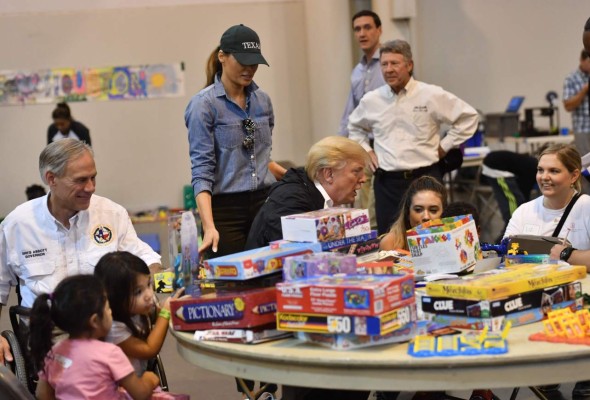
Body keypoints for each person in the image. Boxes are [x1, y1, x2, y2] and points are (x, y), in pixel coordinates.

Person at [0, 138, 161, 362]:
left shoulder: (111, 214)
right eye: (81, 180)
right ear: (51, 179)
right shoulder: (18, 224)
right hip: (48, 336)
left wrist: (146, 290)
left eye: (93, 177)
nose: (91, 187)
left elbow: (146, 258)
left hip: (106, 328)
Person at [348, 39, 478, 234]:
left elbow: (469, 117)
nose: (389, 69)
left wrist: (445, 145)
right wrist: (367, 151)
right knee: (389, 241)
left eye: (395, 63)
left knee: (434, 237)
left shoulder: (431, 94)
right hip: (388, 183)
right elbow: (354, 128)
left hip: (425, 177)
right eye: (384, 64)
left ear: (409, 65)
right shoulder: (372, 100)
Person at [185, 24, 285, 259]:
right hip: (225, 211)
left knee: (270, 278)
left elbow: (261, 158)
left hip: (264, 203)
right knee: (231, 287)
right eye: (242, 61)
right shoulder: (204, 105)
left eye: (254, 63)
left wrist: (294, 176)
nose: (249, 69)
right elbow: (202, 171)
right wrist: (209, 226)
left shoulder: (263, 101)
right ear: (222, 57)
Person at [503, 144, 590, 400]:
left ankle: (584, 375)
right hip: (537, 300)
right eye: (541, 170)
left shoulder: (586, 207)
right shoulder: (525, 211)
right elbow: (506, 257)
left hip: (581, 302)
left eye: (554, 170)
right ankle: (546, 374)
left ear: (574, 175)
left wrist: (566, 255)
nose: (544, 177)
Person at [29, 274, 159, 400]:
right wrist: (149, 379)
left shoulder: (55, 351)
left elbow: (42, 395)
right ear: (95, 321)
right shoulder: (109, 353)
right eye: (108, 308)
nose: (111, 312)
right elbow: (141, 394)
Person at [245, 136, 370, 249]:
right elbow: (297, 259)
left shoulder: (311, 194)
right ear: (329, 174)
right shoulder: (290, 201)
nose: (364, 179)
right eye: (356, 171)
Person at [95, 251, 184, 376]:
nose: (149, 295)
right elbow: (149, 349)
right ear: (115, 297)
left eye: (148, 285)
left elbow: (159, 312)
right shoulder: (114, 329)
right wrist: (165, 313)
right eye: (138, 292)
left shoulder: (137, 309)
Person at [339, 10, 385, 230]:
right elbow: (351, 110)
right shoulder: (357, 71)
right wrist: (340, 148)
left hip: (385, 144)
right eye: (357, 29)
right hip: (363, 145)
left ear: (379, 30)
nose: (362, 33)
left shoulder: (388, 64)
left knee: (380, 204)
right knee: (364, 204)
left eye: (367, 27)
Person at [379, 176, 447, 251]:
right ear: (408, 212)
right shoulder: (390, 244)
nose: (426, 217)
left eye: (433, 210)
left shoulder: (454, 239)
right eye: (418, 210)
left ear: (443, 213)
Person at [481, 150, 538, 240]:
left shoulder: (532, 164)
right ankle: (505, 239)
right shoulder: (533, 169)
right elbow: (524, 189)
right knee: (515, 208)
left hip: (495, 165)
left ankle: (507, 236)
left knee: (513, 204)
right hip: (496, 167)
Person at [563, 49, 590, 194]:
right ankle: (586, 200)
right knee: (585, 168)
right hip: (582, 130)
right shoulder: (572, 79)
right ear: (582, 60)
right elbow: (567, 105)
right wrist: (584, 90)